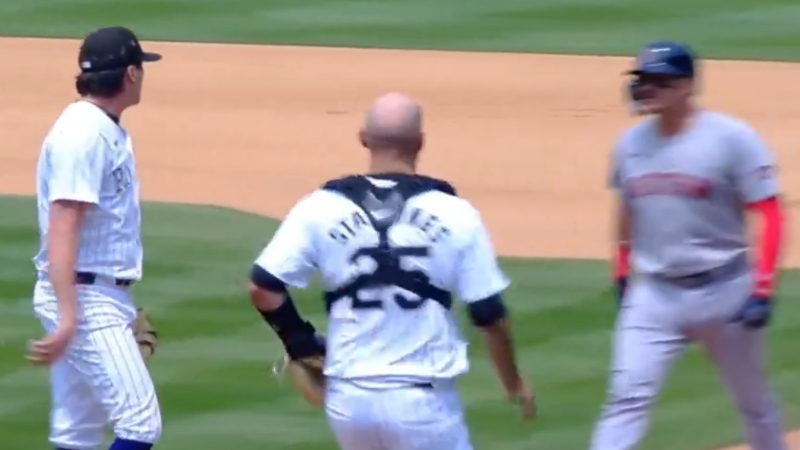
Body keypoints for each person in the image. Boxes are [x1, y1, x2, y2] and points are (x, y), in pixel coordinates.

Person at [247, 92, 536, 449]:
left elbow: (263, 285)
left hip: (349, 402)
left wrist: (299, 342)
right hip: (421, 402)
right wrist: (513, 382)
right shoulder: (454, 212)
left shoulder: (320, 207)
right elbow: (488, 314)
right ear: (420, 143)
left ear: (364, 139)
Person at [591, 41, 788, 450]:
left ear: (687, 86)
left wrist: (763, 288)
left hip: (726, 289)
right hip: (656, 293)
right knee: (626, 397)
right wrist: (622, 270)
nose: (646, 89)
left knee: (753, 403)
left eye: (658, 81)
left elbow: (768, 211)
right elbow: (626, 209)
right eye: (643, 81)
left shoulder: (731, 139)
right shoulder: (629, 145)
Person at [28, 26, 163, 450]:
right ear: (130, 74)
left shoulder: (99, 127)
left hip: (94, 291)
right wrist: (71, 317)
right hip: (84, 298)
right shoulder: (83, 135)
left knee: (77, 430)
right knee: (140, 424)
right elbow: (63, 223)